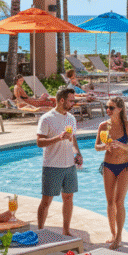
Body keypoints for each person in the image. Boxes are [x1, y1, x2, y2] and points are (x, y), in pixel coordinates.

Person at [36, 87, 83, 236]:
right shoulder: (46, 118)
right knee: (46, 201)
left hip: (69, 165)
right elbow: (39, 142)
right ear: (61, 100)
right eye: (71, 100)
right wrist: (58, 138)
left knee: (68, 198)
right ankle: (40, 231)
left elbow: (73, 138)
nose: (73, 103)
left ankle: (66, 231)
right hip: (52, 165)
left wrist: (78, 153)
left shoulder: (71, 118)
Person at [95, 97, 128, 249]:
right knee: (110, 202)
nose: (108, 110)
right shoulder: (103, 126)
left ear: (119, 109)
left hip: (125, 166)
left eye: (111, 107)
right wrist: (104, 147)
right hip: (108, 165)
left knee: (119, 201)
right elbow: (96, 146)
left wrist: (121, 145)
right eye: (107, 107)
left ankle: (118, 237)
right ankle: (113, 233)